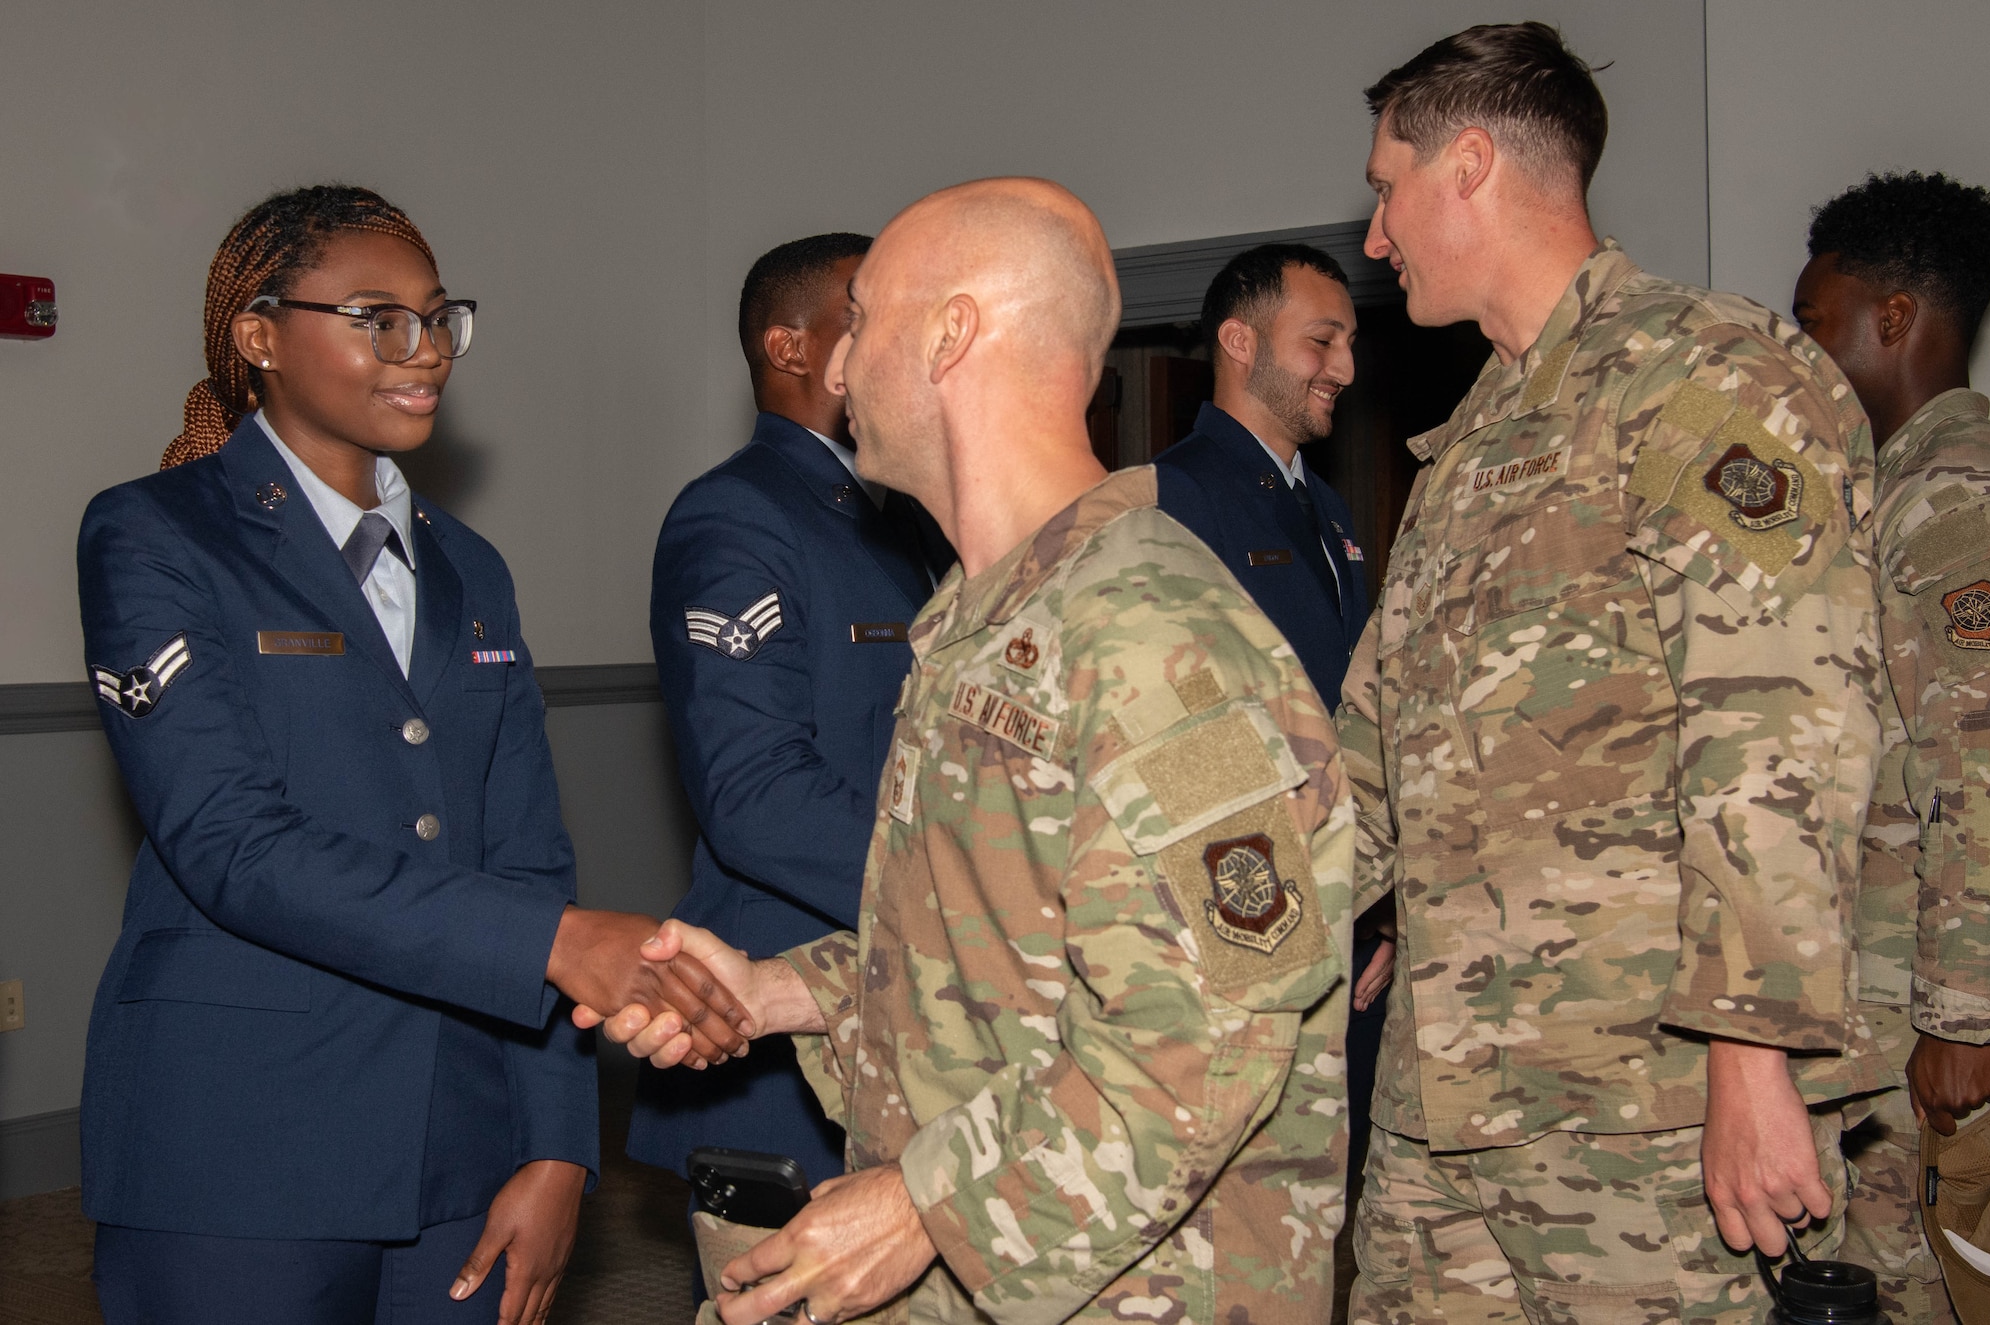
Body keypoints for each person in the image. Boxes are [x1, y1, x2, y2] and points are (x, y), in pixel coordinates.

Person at [596, 177, 1358, 1323]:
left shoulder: (1150, 639)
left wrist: (917, 1207)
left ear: (950, 334)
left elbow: (1204, 1044)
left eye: (864, 318)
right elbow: (991, 948)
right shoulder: (982, 619)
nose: (840, 367)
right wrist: (771, 992)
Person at [81, 185, 744, 1325]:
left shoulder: (469, 568)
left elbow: (527, 859)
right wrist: (555, 942)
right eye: (376, 317)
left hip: (462, 1138)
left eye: (439, 317)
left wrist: (554, 1149)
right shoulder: (152, 534)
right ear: (259, 337)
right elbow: (231, 844)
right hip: (238, 1144)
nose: (424, 349)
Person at [1339, 23, 1891, 1323]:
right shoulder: (1466, 453)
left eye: (1385, 186)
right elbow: (1363, 769)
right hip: (1450, 1112)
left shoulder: (1702, 379)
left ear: (1468, 163)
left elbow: (1783, 723)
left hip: (1643, 1115)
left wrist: (1752, 1059)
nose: (1374, 235)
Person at [628, 232, 951, 1197]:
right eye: (872, 313)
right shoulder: (738, 515)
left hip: (899, 991)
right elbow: (757, 793)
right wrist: (966, 894)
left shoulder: (905, 515)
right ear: (793, 347)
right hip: (777, 1023)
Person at [1792, 170, 1990, 1323]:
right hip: (1877, 1008)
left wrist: (1963, 1019)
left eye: (1812, 323)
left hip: (1922, 1024)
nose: (1801, 351)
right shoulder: (1890, 493)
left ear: (1893, 319)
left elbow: (1984, 760)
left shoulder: (1951, 500)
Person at [1150, 241, 1391, 1175]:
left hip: (1345, 904)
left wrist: (1373, 905)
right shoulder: (1178, 496)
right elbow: (1184, 733)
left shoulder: (1326, 508)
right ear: (1241, 341)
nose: (1345, 367)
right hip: (1259, 918)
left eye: (1349, 343)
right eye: (1322, 340)